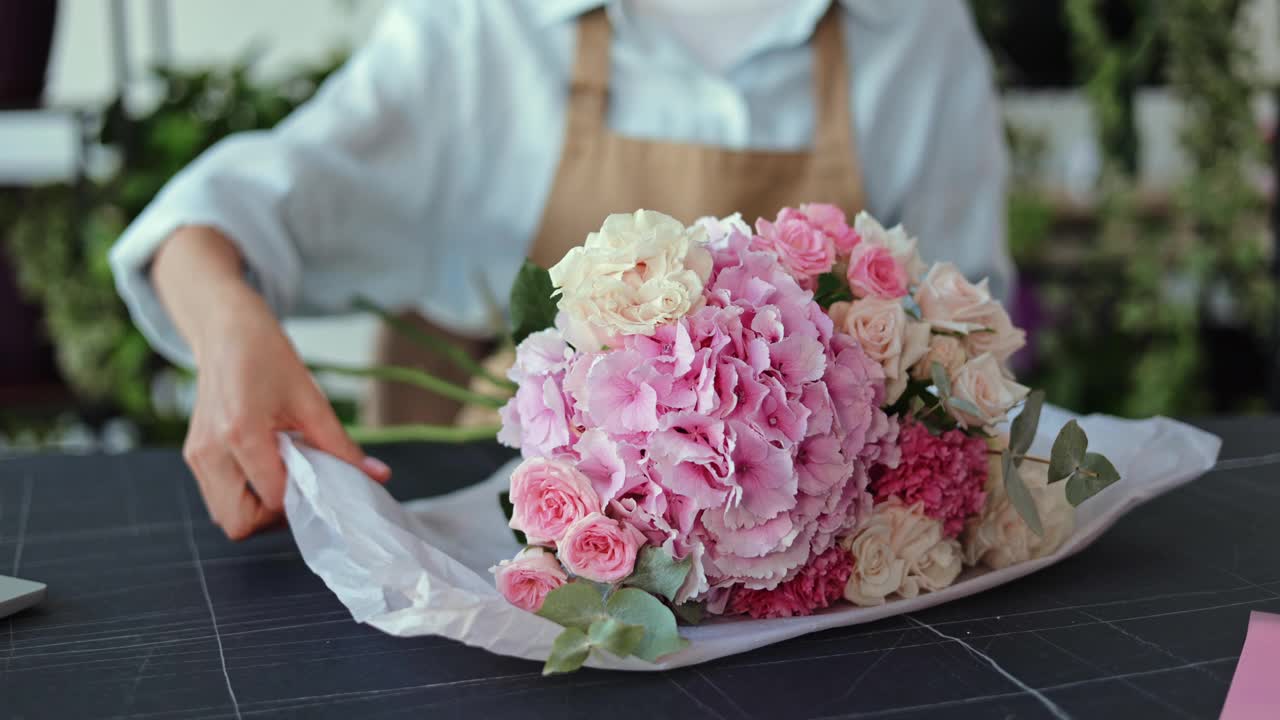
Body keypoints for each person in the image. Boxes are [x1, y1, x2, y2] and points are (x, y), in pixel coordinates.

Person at [110, 0, 1011, 540]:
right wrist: (229, 331)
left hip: (818, 590)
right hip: (529, 564)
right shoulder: (484, 26)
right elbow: (220, 215)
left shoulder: (912, 28)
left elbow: (960, 357)